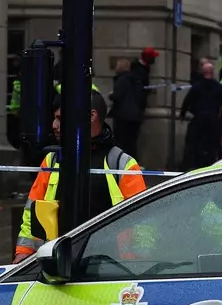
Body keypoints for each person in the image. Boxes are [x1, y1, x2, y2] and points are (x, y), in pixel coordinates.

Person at [14, 91, 146, 261]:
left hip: (111, 266)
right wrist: (24, 252)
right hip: (57, 262)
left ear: (91, 116)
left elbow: (143, 222)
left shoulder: (123, 164)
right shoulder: (51, 160)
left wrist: (140, 263)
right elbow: (32, 212)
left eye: (60, 118)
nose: (54, 125)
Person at [179, 58, 222, 169]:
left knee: (196, 144)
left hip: (199, 119)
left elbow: (187, 101)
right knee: (212, 145)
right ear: (212, 72)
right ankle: (211, 165)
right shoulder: (219, 87)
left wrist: (183, 114)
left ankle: (196, 165)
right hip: (213, 119)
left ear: (203, 72)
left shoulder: (197, 86)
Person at [109, 57, 146, 157]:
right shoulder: (137, 80)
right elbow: (141, 98)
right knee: (132, 144)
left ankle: (121, 163)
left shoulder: (121, 80)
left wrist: (111, 95)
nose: (115, 67)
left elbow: (117, 96)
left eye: (117, 65)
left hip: (123, 116)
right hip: (136, 117)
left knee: (121, 143)